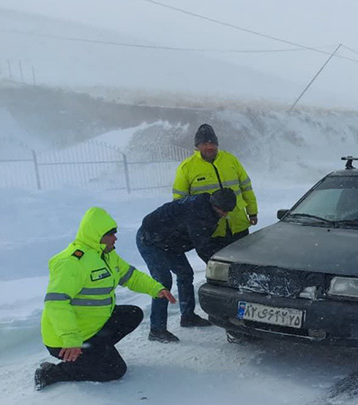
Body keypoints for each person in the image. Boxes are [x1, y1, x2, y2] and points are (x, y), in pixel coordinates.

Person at [35, 207, 176, 391]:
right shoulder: (72, 262)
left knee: (133, 314)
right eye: (110, 234)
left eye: (114, 233)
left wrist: (156, 288)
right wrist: (71, 339)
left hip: (91, 328)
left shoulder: (107, 255)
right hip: (65, 340)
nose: (115, 238)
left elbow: (130, 276)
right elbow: (56, 302)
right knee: (115, 371)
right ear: (97, 236)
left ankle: (95, 352)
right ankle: (51, 372)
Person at [137, 188, 237, 343]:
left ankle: (188, 316)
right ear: (214, 204)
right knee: (162, 282)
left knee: (185, 274)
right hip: (150, 240)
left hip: (170, 243)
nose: (225, 214)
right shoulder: (197, 214)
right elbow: (203, 248)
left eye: (228, 211)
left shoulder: (208, 208)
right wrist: (221, 272)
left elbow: (206, 241)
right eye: (223, 210)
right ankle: (156, 329)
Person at [173, 123, 258, 252]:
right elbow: (180, 201)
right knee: (220, 268)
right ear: (197, 146)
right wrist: (187, 227)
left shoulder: (230, 160)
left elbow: (246, 187)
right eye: (204, 144)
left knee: (244, 262)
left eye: (212, 143)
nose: (209, 147)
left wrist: (252, 212)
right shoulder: (187, 167)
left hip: (238, 224)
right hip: (211, 229)